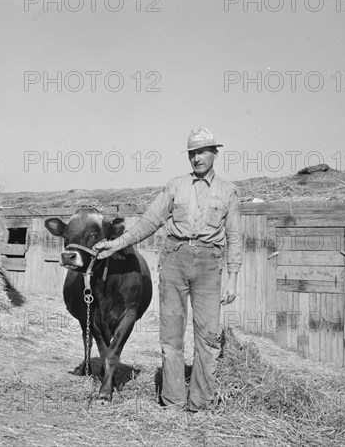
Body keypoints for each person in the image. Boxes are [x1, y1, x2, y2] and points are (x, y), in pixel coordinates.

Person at [94, 127, 243, 412]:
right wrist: (116, 244)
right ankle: (173, 402)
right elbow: (149, 222)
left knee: (208, 338)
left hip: (210, 265)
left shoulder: (229, 192)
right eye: (192, 153)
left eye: (202, 151)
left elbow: (235, 236)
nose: (196, 158)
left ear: (215, 153)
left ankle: (201, 404)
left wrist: (233, 277)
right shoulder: (175, 186)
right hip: (175, 260)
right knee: (171, 337)